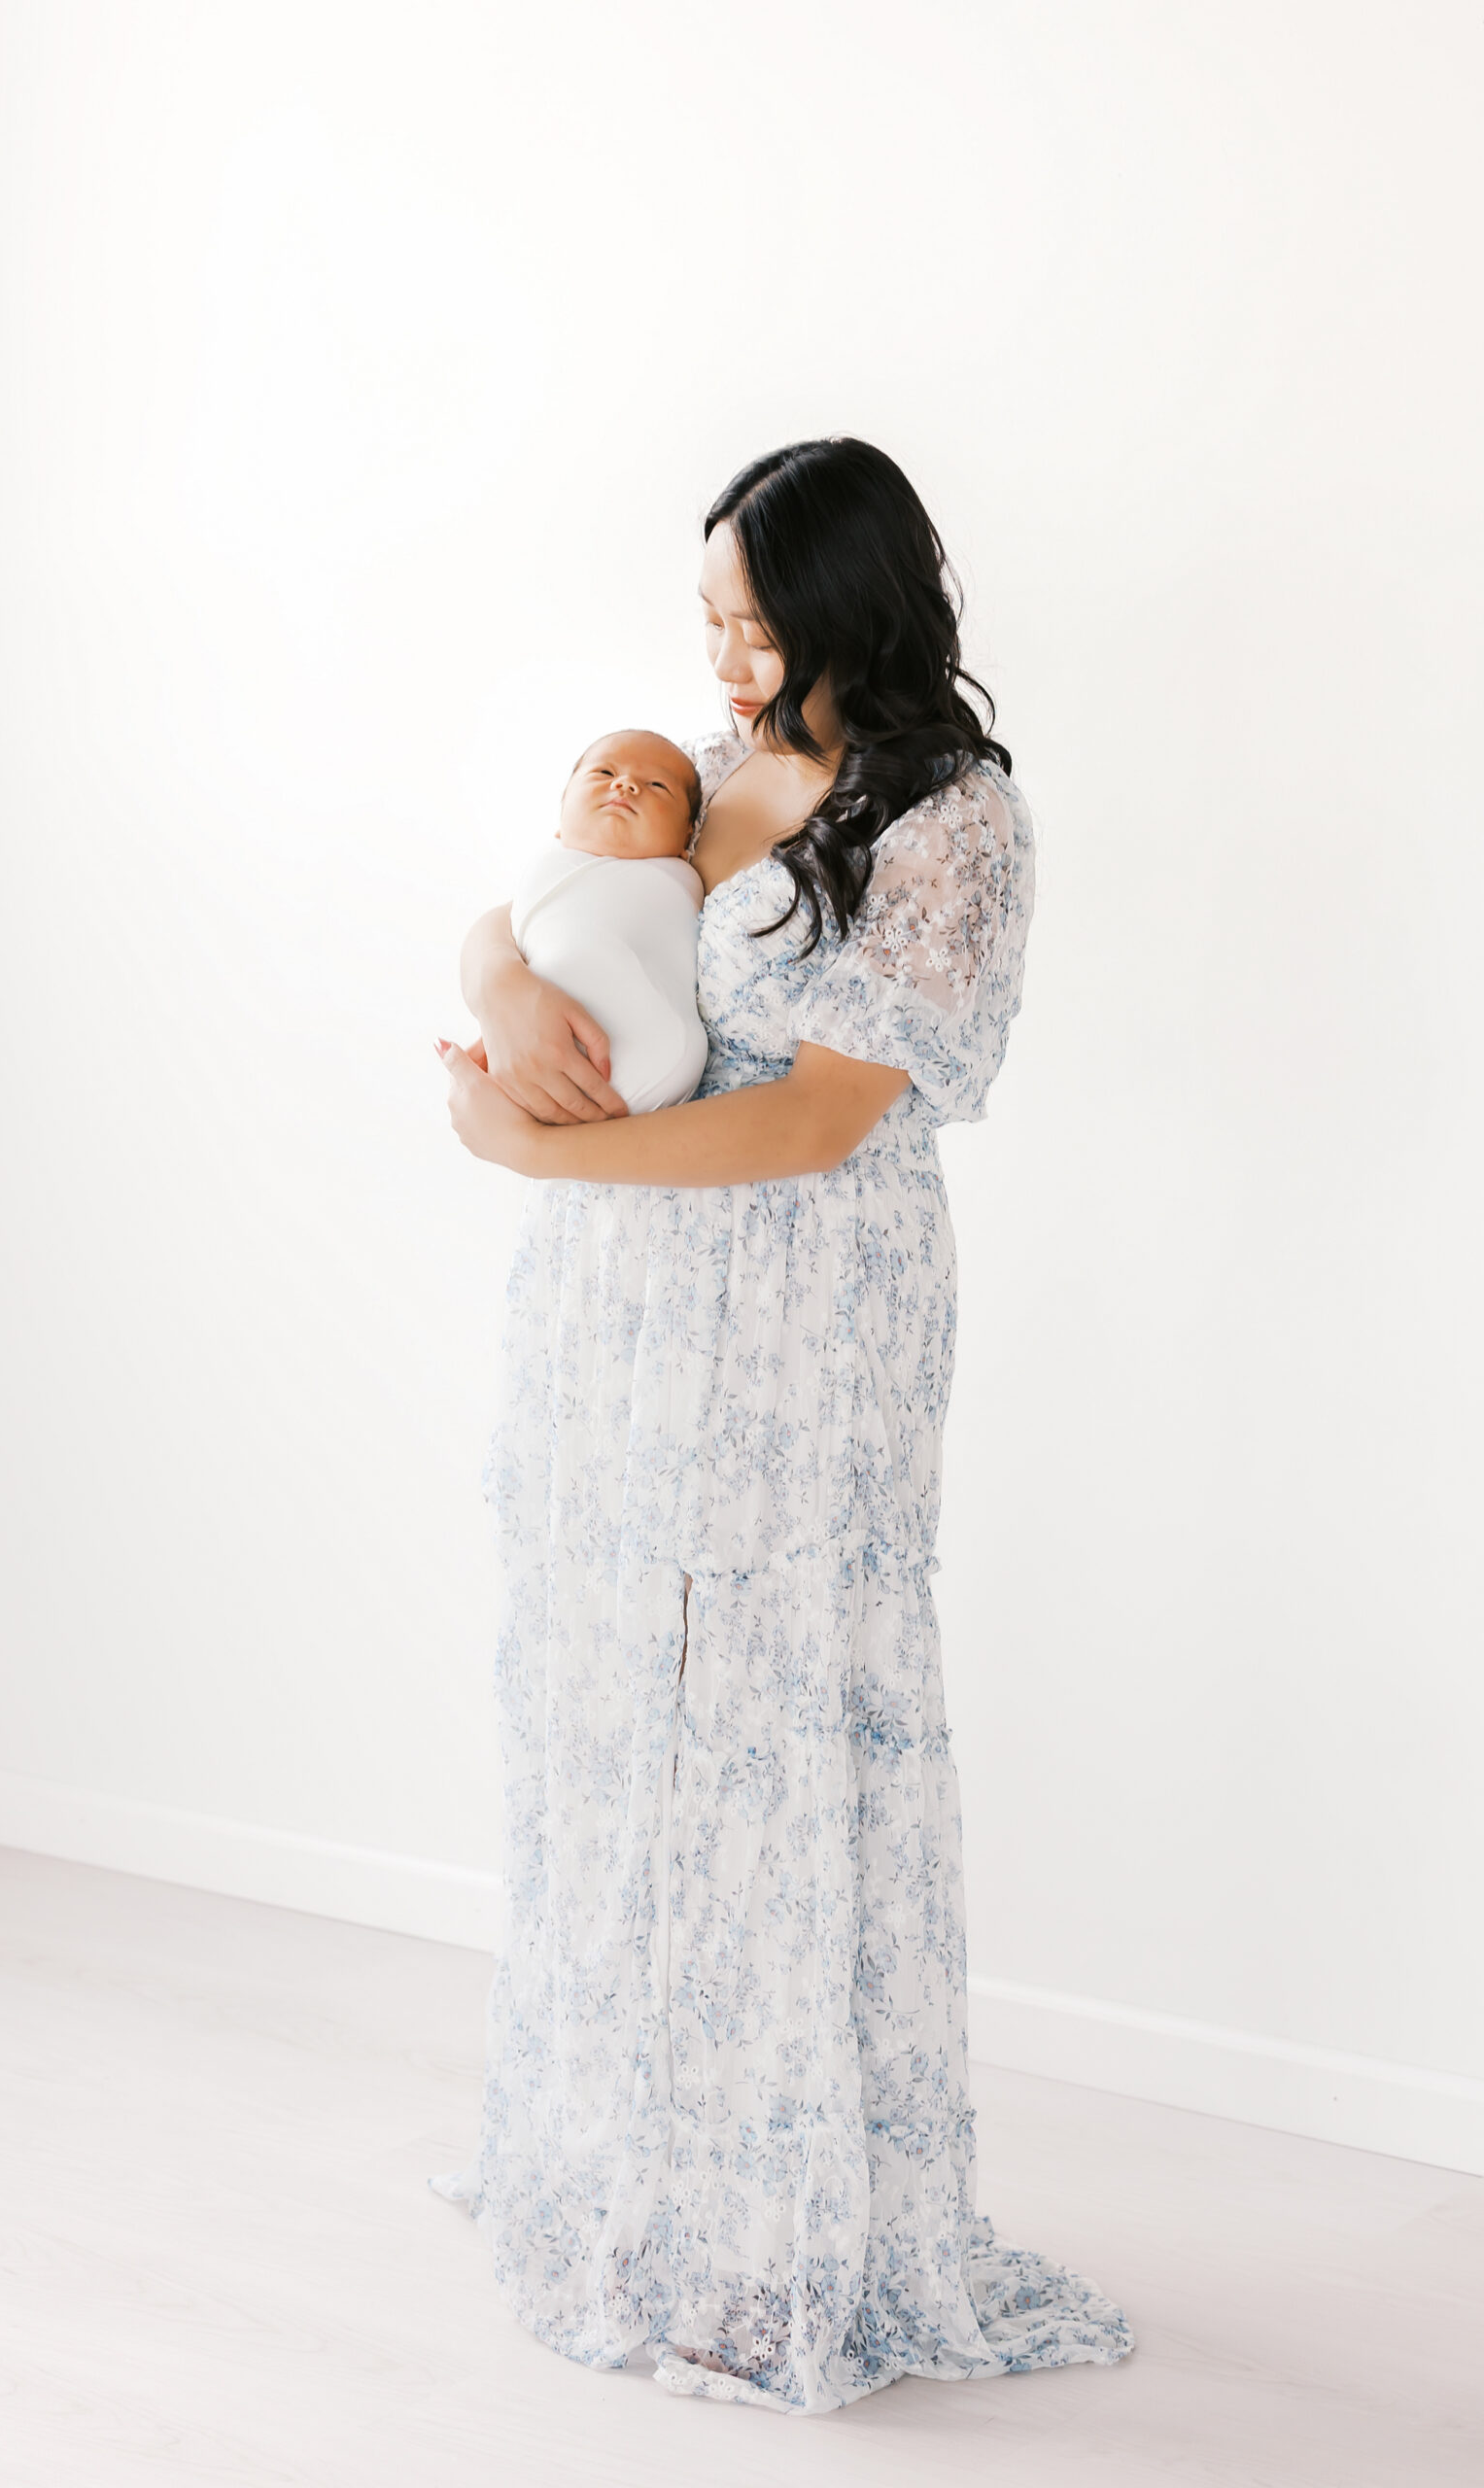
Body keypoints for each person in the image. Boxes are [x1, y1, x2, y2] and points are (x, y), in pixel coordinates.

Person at [434, 437, 1134, 2414]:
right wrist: (500, 1003)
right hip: (624, 1309)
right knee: (626, 1719)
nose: (724, 661)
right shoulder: (685, 772)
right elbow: (525, 910)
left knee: (778, 1724)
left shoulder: (950, 817)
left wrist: (544, 1148)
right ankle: (639, 2190)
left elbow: (827, 1114)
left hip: (809, 1310)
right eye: (707, 620)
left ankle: (791, 2236)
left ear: (851, 606)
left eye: (754, 624)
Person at [500, 730, 707, 1117]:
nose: (625, 784)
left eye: (657, 785)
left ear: (687, 837)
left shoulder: (683, 879)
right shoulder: (548, 864)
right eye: (604, 773)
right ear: (561, 814)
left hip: (660, 1062)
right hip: (539, 1052)